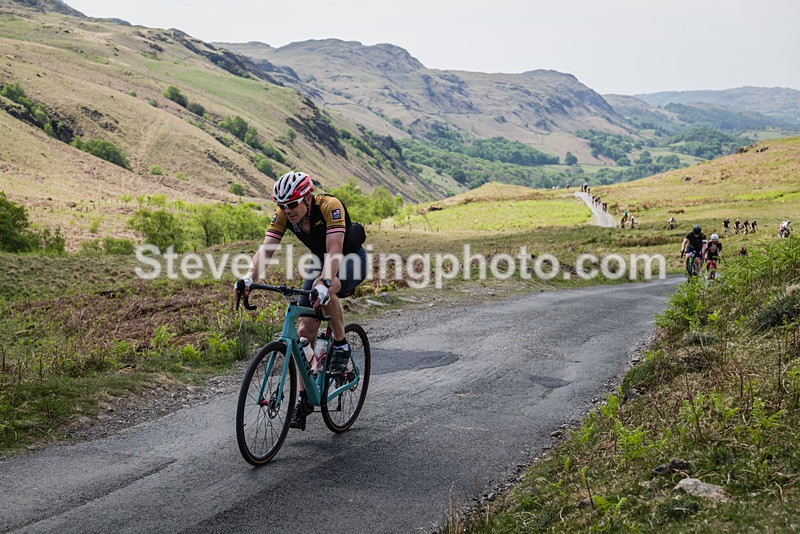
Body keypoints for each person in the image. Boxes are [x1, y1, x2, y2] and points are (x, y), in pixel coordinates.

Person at [235, 171, 368, 431]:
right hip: (321, 262)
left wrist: (326, 282)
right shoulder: (284, 214)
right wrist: (249, 277)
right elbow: (267, 248)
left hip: (349, 258)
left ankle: (341, 346)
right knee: (304, 332)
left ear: (307, 198)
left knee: (326, 289)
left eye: (292, 204)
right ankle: (306, 396)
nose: (288, 210)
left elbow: (334, 250)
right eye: (282, 205)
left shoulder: (330, 206)